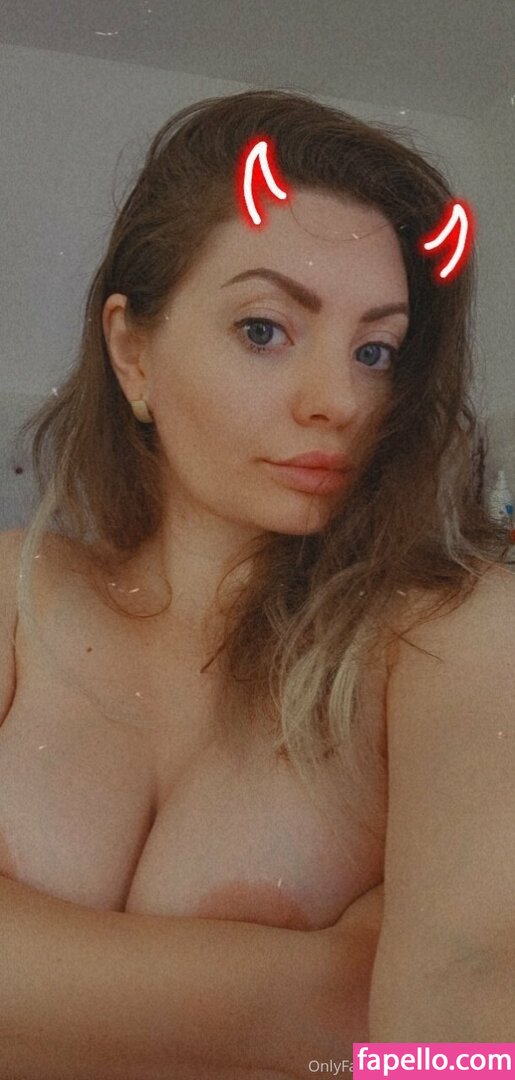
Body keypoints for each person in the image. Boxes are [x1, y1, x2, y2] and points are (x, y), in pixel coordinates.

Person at [1, 87, 513, 1076]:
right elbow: (354, 1026)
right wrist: (307, 1005)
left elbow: (465, 1050)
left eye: (375, 351)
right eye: (265, 330)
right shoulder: (11, 597)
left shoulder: (455, 640)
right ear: (132, 352)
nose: (337, 401)